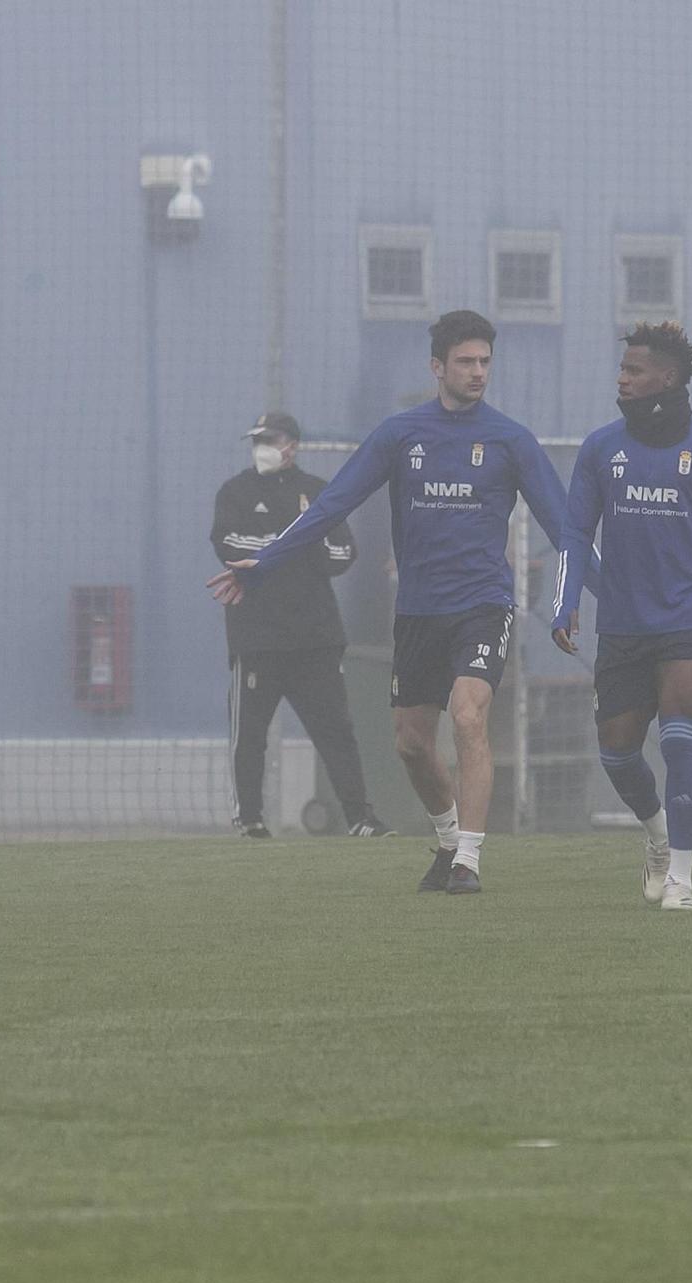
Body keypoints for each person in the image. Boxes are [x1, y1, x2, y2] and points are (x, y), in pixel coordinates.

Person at [210, 311, 568, 894]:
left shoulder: (510, 440)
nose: (478, 372)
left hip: (483, 603)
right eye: (465, 362)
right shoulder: (401, 435)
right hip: (419, 612)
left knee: (470, 715)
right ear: (437, 367)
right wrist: (266, 563)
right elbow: (331, 508)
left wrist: (578, 594)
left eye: (484, 362)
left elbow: (564, 526)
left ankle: (469, 862)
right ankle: (449, 840)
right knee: (409, 744)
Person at [551, 322, 692, 911]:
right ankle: (658, 839)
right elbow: (574, 532)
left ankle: (682, 882)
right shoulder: (600, 448)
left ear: (665, 377)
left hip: (689, 622)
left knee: (678, 744)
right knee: (617, 752)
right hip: (621, 625)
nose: (622, 378)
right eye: (622, 369)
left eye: (634, 369)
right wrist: (565, 603)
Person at [211, 410, 392, 839]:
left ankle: (359, 817)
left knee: (336, 732)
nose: (263, 448)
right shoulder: (235, 492)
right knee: (249, 736)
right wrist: (292, 544)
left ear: (292, 444)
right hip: (256, 639)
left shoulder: (316, 492)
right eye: (257, 440)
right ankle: (250, 819)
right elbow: (230, 545)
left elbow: (342, 553)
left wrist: (286, 549)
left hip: (315, 638)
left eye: (270, 439)